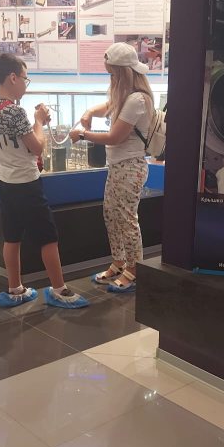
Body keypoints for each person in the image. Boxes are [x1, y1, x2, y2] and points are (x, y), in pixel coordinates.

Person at [0, 53, 89, 309]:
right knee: (48, 237)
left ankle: (15, 288)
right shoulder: (15, 111)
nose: (26, 84)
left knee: (12, 236)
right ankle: (59, 289)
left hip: (4, 180)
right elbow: (37, 147)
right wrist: (39, 121)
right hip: (26, 184)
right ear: (13, 78)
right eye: (25, 78)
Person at [69, 42, 153, 293]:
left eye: (112, 74)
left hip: (130, 167)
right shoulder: (126, 96)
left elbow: (115, 137)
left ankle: (134, 269)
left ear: (123, 72)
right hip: (119, 167)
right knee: (111, 215)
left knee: (126, 219)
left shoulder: (137, 99)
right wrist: (88, 112)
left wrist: (83, 134)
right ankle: (119, 262)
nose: (111, 79)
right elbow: (106, 107)